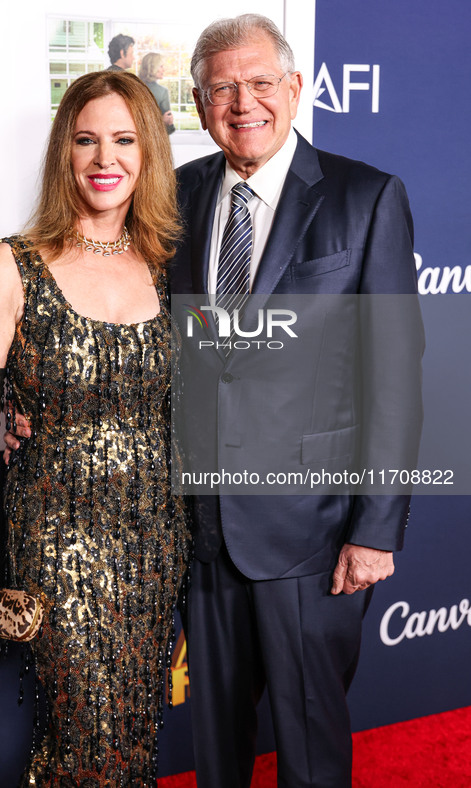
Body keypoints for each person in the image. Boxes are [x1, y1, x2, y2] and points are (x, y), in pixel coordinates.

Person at [169, 13, 423, 788]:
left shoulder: (365, 197)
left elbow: (395, 378)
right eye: (221, 89)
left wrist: (374, 530)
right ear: (198, 101)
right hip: (201, 531)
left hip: (312, 537)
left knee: (309, 749)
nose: (242, 103)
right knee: (214, 750)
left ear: (294, 88)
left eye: (257, 83)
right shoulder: (173, 197)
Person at [0, 69, 190, 787]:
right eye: (85, 140)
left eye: (123, 140)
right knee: (83, 731)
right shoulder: (9, 267)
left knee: (130, 739)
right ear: (64, 152)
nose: (103, 159)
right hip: (59, 544)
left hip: (157, 543)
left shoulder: (173, 269)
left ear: (147, 153)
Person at [139, 52, 176, 135]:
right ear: (152, 68)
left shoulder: (132, 86)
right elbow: (169, 126)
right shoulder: (162, 92)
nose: (164, 69)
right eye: (161, 66)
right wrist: (162, 122)